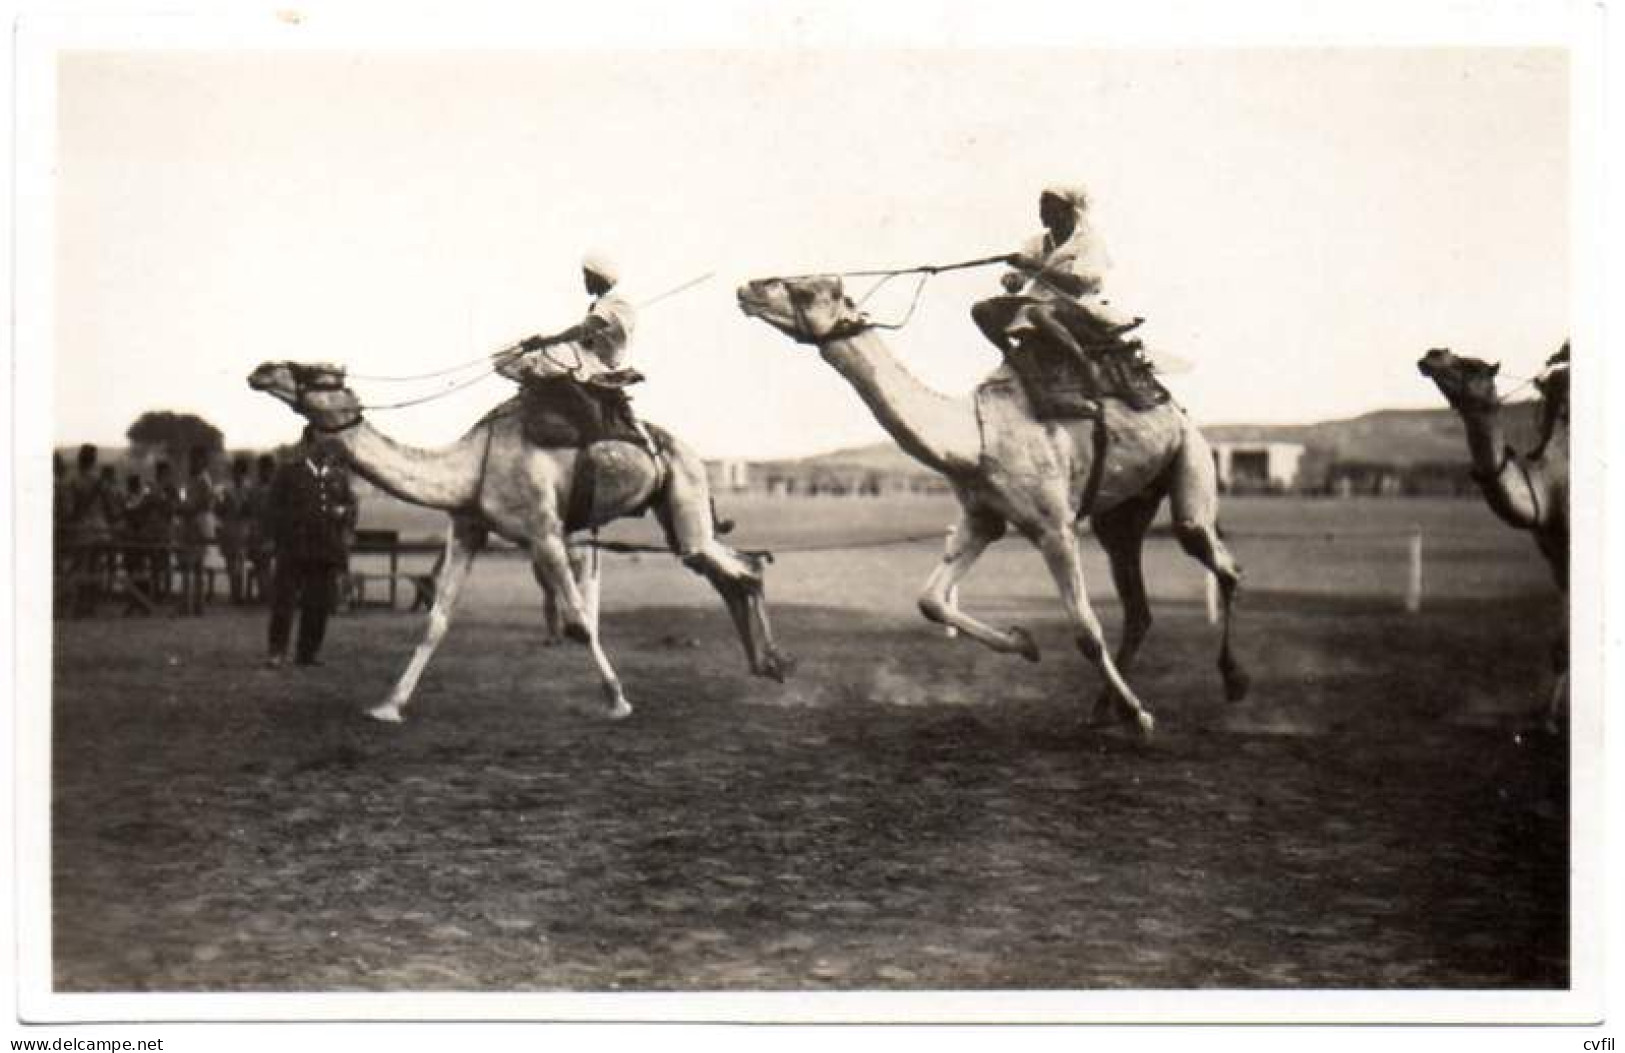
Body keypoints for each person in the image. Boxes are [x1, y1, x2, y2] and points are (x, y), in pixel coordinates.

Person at [970, 184, 1143, 395]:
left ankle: (1084, 363)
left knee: (1036, 313)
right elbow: (1019, 285)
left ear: (1068, 210)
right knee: (981, 310)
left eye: (1049, 205)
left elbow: (1079, 285)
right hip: (1036, 302)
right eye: (1041, 205)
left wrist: (1034, 266)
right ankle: (1013, 356)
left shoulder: (1089, 243)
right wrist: (1012, 280)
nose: (1042, 211)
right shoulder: (1035, 243)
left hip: (1076, 306)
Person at [265, 428, 358, 667]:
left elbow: (351, 507)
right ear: (310, 441)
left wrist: (344, 514)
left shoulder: (337, 475)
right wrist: (279, 537)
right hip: (294, 548)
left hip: (324, 550)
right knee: (284, 603)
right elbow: (272, 508)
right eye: (322, 437)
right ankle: (277, 652)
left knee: (318, 604)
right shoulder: (289, 471)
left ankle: (307, 653)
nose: (328, 443)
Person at [499, 252, 639, 384]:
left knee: (544, 353)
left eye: (588, 277)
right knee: (510, 352)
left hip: (597, 363)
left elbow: (584, 330)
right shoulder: (603, 303)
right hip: (588, 354)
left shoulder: (616, 302)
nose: (585, 281)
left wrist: (544, 341)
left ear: (598, 278)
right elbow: (589, 337)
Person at [175, 447, 218, 616]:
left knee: (190, 566)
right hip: (196, 525)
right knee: (196, 567)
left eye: (195, 459)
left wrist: (181, 508)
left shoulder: (202, 480)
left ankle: (189, 605)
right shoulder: (198, 480)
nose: (191, 463)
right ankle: (195, 605)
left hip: (196, 526)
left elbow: (200, 504)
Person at [215, 455, 255, 604]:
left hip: (242, 530)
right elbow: (218, 509)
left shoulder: (249, 490)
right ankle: (235, 594)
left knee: (239, 563)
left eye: (239, 472)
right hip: (230, 529)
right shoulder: (226, 489)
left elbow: (251, 510)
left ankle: (238, 594)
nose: (237, 475)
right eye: (235, 472)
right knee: (232, 564)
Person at [245, 454, 278, 603]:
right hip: (261, 531)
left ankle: (266, 594)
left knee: (264, 565)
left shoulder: (268, 489)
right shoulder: (260, 489)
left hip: (267, 532)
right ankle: (265, 593)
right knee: (261, 564)